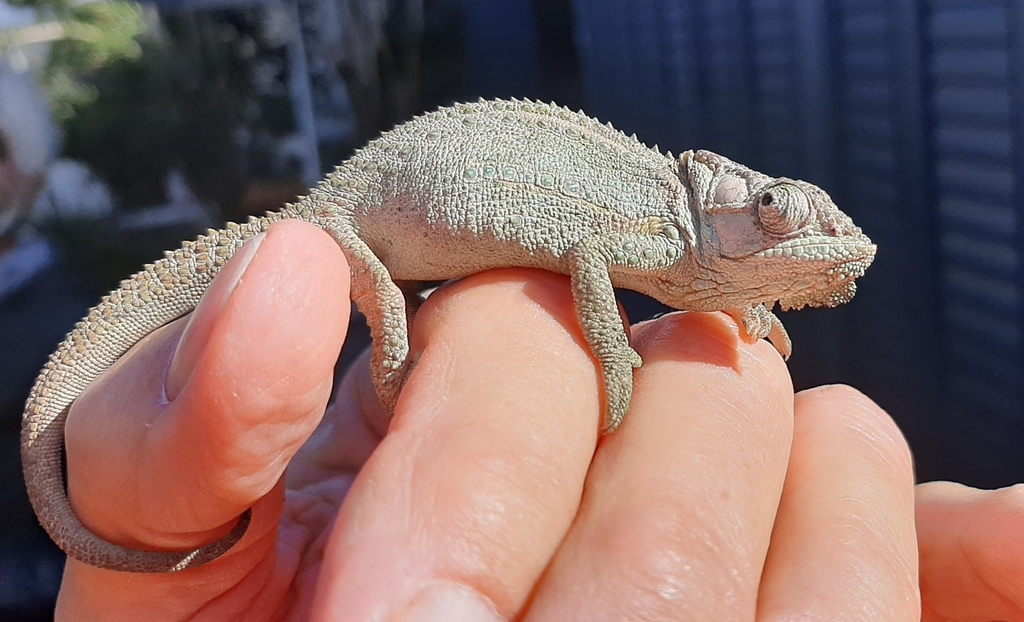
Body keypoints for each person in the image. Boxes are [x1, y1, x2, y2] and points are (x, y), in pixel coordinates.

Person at [55, 220, 1023, 621]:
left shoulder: (705, 270)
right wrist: (610, 354)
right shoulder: (662, 223)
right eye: (771, 212)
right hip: (365, 222)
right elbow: (597, 252)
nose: (792, 234)